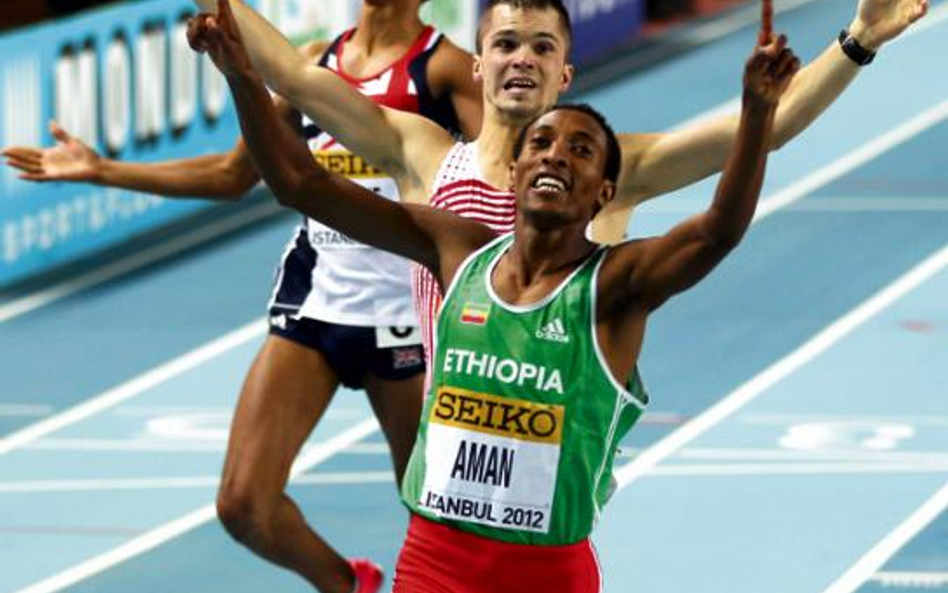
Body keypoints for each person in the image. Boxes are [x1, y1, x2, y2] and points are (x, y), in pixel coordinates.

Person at [190, 1, 798, 590]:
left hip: (549, 569)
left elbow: (718, 229)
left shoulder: (613, 284)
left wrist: (760, 106)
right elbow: (300, 183)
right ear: (515, 175)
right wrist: (243, 77)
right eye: (541, 145)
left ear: (604, 193)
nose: (555, 154)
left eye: (579, 150)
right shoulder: (458, 250)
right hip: (437, 558)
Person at [3, 1, 481, 592]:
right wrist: (103, 170)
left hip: (410, 319)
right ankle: (345, 584)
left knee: (440, 515)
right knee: (243, 505)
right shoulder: (314, 65)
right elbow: (234, 176)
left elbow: (497, 186)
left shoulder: (445, 71)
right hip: (317, 308)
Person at [185, 0, 928, 374]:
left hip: (557, 456)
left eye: (543, 48)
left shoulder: (611, 171)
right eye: (504, 44)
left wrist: (858, 39)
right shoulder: (419, 152)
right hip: (454, 451)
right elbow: (288, 72)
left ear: (565, 75)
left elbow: (768, 127)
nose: (522, 59)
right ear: (476, 68)